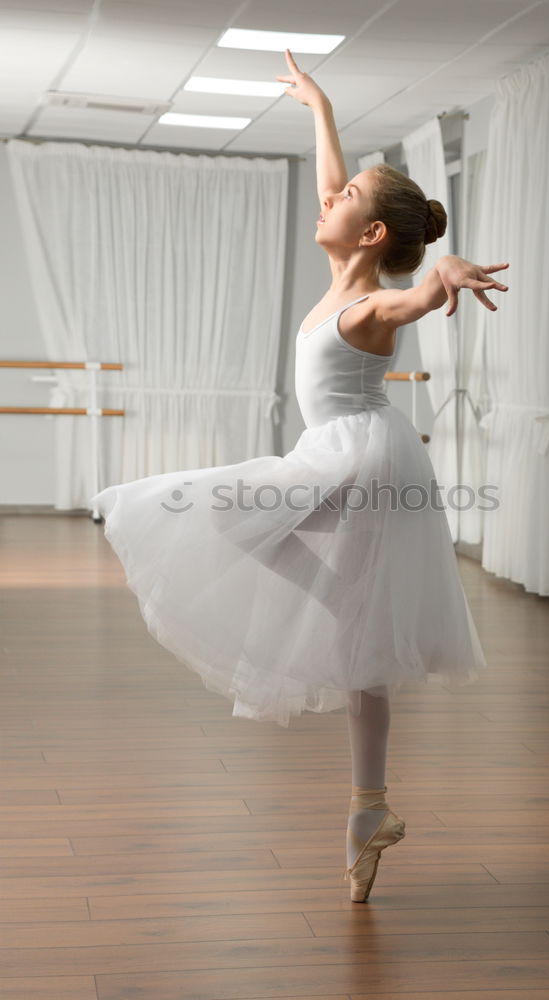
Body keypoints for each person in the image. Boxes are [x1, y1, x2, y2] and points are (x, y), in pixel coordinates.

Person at [89, 48, 509, 903]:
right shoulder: (338, 272)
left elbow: (414, 298)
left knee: (215, 515)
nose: (328, 197)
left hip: (354, 457)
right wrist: (317, 106)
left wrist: (445, 277)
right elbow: (335, 186)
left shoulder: (368, 306)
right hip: (347, 452)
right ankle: (369, 808)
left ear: (371, 235)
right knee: (363, 655)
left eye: (347, 197)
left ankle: (338, 643)